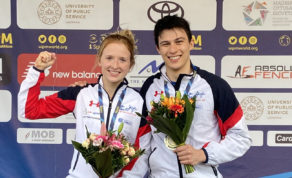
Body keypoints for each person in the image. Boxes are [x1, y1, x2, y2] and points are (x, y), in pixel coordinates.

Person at [18, 30, 150, 178]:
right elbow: (29, 110)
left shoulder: (139, 101)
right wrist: (37, 70)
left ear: (131, 64)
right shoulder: (80, 93)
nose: (115, 65)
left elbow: (143, 150)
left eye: (122, 60)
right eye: (109, 58)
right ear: (99, 60)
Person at [132, 15, 252, 178]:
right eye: (165, 44)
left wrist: (204, 154)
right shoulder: (150, 87)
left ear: (191, 43)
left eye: (179, 41)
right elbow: (143, 144)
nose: (173, 50)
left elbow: (241, 138)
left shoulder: (214, 85)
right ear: (158, 49)